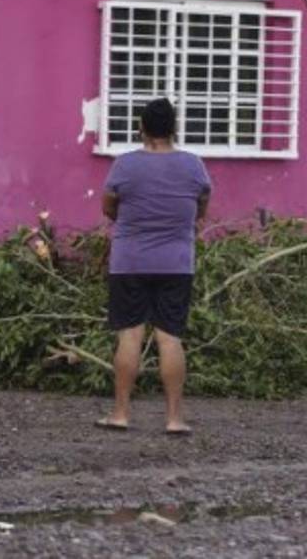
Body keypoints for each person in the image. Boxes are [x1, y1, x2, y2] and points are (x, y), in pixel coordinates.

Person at [97, 98, 211, 435]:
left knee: (130, 336)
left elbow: (108, 207)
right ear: (174, 128)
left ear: (141, 127)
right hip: (176, 263)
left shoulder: (124, 166)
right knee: (170, 338)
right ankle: (174, 419)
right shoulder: (194, 166)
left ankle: (120, 414)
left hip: (129, 261)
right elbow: (200, 208)